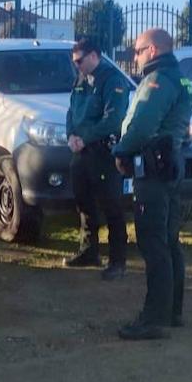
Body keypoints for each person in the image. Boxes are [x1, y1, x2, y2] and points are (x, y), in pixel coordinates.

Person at [112, 28, 192, 340]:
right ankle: (172, 311)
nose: (134, 56)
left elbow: (144, 123)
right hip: (170, 164)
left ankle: (153, 318)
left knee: (153, 243)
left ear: (153, 49)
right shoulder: (181, 79)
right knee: (170, 241)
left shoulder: (158, 80)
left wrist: (121, 149)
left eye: (137, 50)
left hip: (153, 169)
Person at [63, 37, 129, 279]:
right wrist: (71, 134)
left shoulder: (112, 80)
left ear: (94, 56)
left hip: (102, 151)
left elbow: (113, 119)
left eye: (80, 61)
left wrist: (85, 137)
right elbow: (72, 110)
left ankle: (118, 260)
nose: (77, 66)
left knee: (111, 205)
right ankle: (89, 251)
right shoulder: (81, 78)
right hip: (81, 151)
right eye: (75, 62)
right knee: (84, 203)